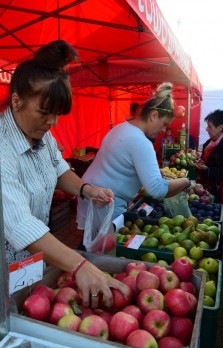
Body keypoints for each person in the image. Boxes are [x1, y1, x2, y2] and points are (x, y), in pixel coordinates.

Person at [0, 40, 129, 308]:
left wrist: (87, 190)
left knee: (28, 310)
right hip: (5, 264)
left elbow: (58, 170)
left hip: (30, 260)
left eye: (58, 114)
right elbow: (20, 224)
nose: (53, 122)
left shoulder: (42, 134)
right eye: (45, 113)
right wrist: (79, 264)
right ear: (16, 101)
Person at [77, 82, 191, 233]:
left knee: (91, 242)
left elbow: (122, 164)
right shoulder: (141, 142)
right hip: (104, 202)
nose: (164, 130)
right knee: (104, 250)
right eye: (164, 124)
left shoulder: (121, 127)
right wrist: (186, 181)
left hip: (91, 194)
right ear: (154, 115)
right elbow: (157, 189)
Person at [195, 109, 223, 203]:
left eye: (209, 126)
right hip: (207, 189)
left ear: (220, 127)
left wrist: (207, 169)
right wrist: (201, 160)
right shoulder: (209, 142)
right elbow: (207, 159)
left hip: (219, 192)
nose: (207, 129)